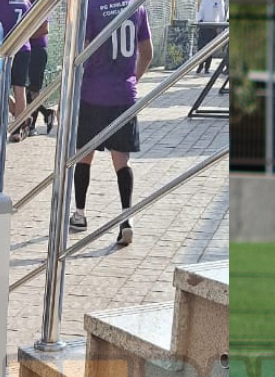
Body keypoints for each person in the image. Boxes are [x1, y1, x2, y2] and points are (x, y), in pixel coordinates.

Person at [69, 0, 153, 246]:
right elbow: (147, 54)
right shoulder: (136, 7)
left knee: (84, 155)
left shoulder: (91, 7)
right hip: (123, 95)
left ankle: (80, 214)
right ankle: (126, 217)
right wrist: (131, 79)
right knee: (121, 160)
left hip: (93, 93)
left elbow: (81, 53)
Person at [0, 0, 32, 143]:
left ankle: (18, 115)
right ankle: (18, 125)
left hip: (5, 48)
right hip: (23, 46)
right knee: (19, 88)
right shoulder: (26, 2)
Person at [26, 3, 55, 136]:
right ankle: (46, 113)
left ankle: (31, 126)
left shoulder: (38, 4)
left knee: (33, 90)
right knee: (27, 89)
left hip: (37, 50)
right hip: (26, 50)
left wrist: (24, 36)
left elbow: (45, 29)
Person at [195, 0, 226, 75]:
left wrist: (221, 24)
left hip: (213, 26)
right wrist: (199, 20)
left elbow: (221, 12)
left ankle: (207, 67)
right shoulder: (205, 1)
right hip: (204, 25)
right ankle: (200, 65)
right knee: (201, 47)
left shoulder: (220, 1)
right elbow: (201, 9)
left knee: (211, 47)